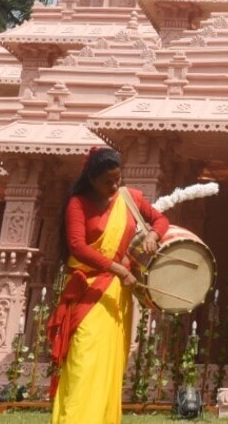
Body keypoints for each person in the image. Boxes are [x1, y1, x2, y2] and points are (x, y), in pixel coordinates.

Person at [46, 146, 170, 424]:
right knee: (83, 359)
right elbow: (77, 246)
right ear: (91, 179)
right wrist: (117, 268)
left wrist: (152, 234)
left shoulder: (130, 197)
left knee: (108, 364)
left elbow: (161, 219)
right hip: (88, 291)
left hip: (116, 296)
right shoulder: (77, 203)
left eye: (118, 178)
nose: (114, 186)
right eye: (107, 182)